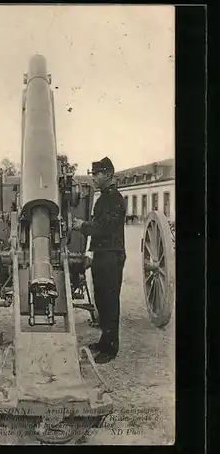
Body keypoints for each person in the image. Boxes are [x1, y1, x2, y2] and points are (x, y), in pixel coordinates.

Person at [72, 156, 126, 364]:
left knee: (110, 301)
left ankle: (111, 348)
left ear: (109, 175)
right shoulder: (104, 198)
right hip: (103, 255)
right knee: (102, 300)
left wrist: (82, 226)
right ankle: (104, 341)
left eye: (97, 174)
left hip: (111, 255)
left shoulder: (114, 199)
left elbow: (104, 227)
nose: (93, 177)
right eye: (93, 173)